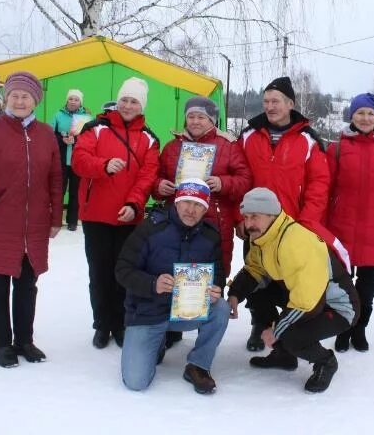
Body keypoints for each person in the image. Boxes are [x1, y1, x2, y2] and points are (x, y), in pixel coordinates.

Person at [0, 71, 63, 368]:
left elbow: (56, 180)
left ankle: (25, 341)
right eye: (15, 95)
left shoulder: (45, 134)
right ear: (6, 98)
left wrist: (55, 217)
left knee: (27, 284)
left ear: (35, 101)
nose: (20, 101)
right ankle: (2, 343)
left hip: (34, 227)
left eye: (26, 96)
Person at [228, 188, 359, 394]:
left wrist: (276, 331)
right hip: (303, 296)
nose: (249, 223)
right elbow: (254, 270)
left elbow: (307, 302)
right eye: (246, 217)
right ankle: (283, 356)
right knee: (257, 291)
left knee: (290, 335)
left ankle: (325, 362)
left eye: (255, 216)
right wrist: (235, 294)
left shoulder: (296, 241)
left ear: (272, 215)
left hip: (336, 307)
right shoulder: (262, 236)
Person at [237, 76, 331, 350]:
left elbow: (319, 184)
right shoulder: (248, 136)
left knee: (290, 282)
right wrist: (238, 217)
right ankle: (260, 324)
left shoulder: (308, 140)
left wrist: (306, 223)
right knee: (257, 280)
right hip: (255, 226)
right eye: (266, 101)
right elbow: (240, 178)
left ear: (290, 104)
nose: (270, 106)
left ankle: (287, 331)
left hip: (292, 229)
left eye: (275, 101)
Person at [115, 179, 229, 394]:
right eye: (186, 202)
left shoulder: (210, 235)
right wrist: (152, 284)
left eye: (198, 205)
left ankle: (198, 365)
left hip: (186, 310)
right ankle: (156, 343)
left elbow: (218, 274)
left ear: (205, 210)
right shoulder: (151, 228)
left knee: (220, 307)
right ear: (176, 202)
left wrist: (215, 288)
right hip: (147, 312)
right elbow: (123, 269)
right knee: (136, 382)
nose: (191, 210)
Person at [71, 77, 160, 350]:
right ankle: (102, 324)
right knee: (99, 273)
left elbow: (147, 177)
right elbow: (79, 160)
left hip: (127, 216)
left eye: (134, 101)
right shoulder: (95, 128)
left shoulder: (149, 138)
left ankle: (121, 323)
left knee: (125, 274)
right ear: (117, 101)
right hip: (96, 214)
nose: (128, 105)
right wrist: (104, 165)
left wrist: (134, 204)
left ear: (142, 106)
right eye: (125, 100)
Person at [325, 93, 374, 353]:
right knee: (342, 287)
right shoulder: (336, 149)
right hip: (341, 230)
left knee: (367, 288)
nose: (365, 118)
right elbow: (325, 192)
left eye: (370, 113)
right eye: (360, 112)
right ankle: (343, 329)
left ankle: (359, 330)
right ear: (352, 115)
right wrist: (321, 230)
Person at [154, 96, 252, 282]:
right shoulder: (172, 147)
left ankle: (216, 310)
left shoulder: (229, 146)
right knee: (177, 275)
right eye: (191, 117)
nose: (195, 121)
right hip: (177, 221)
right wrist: (159, 186)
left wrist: (223, 183)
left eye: (201, 117)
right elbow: (156, 179)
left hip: (215, 221)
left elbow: (245, 180)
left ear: (212, 120)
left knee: (213, 277)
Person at [50, 89, 92, 231]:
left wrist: (75, 140)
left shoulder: (86, 118)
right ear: (66, 100)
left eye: (76, 99)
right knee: (58, 190)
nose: (73, 101)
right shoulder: (58, 115)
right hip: (61, 160)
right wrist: (62, 140)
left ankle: (72, 221)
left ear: (81, 102)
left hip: (78, 161)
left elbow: (89, 138)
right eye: (71, 99)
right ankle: (55, 220)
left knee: (76, 191)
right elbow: (50, 135)